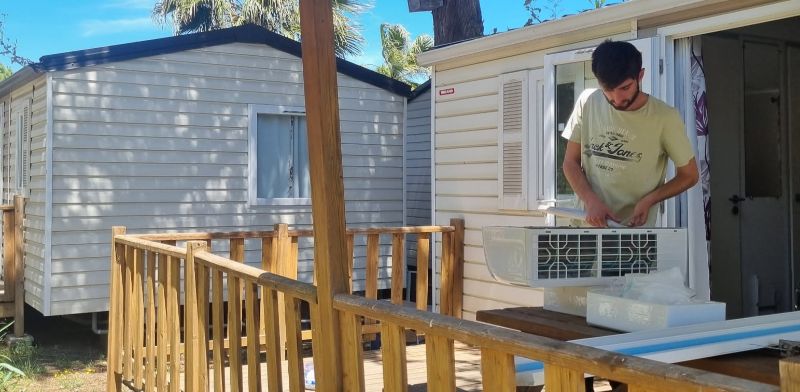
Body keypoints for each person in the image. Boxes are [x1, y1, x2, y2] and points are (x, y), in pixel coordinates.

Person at [561, 40, 699, 227]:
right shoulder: (587, 102)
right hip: (583, 229)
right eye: (608, 90)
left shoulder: (665, 117)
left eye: (625, 88)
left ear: (640, 76)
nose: (617, 99)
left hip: (633, 236)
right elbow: (570, 162)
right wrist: (591, 200)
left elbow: (689, 175)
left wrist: (650, 199)